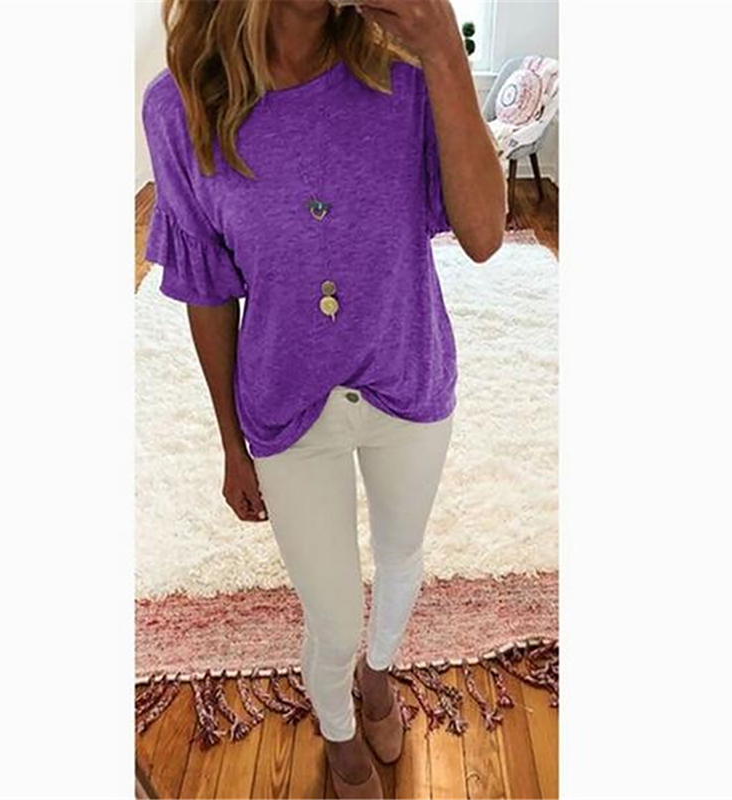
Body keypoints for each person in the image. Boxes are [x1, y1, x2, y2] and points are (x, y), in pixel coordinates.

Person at [142, 0, 505, 796]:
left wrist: (445, 52)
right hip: (284, 399)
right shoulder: (182, 105)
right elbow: (207, 288)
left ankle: (379, 677)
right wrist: (231, 443)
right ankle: (338, 733)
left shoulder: (405, 73)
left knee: (403, 557)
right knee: (332, 613)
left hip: (408, 373)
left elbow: (484, 236)